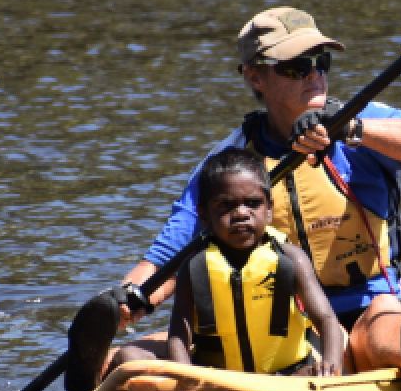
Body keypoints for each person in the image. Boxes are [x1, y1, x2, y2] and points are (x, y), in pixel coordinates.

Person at [65, 6, 401, 391]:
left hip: (365, 303)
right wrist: (129, 297)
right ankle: (96, 369)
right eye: (297, 66)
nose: (315, 74)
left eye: (321, 62)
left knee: (383, 335)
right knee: (134, 358)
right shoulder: (230, 165)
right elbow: (172, 252)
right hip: (267, 321)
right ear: (254, 76)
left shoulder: (360, 121)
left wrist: (351, 129)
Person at [91, 146, 346, 377]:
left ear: (269, 210)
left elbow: (326, 319)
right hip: (216, 377)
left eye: (253, 204)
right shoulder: (194, 267)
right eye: (225, 206)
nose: (241, 214)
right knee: (127, 357)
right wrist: (185, 376)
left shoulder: (291, 258)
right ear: (204, 215)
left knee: (317, 373)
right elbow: (180, 335)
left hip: (286, 374)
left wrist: (331, 365)